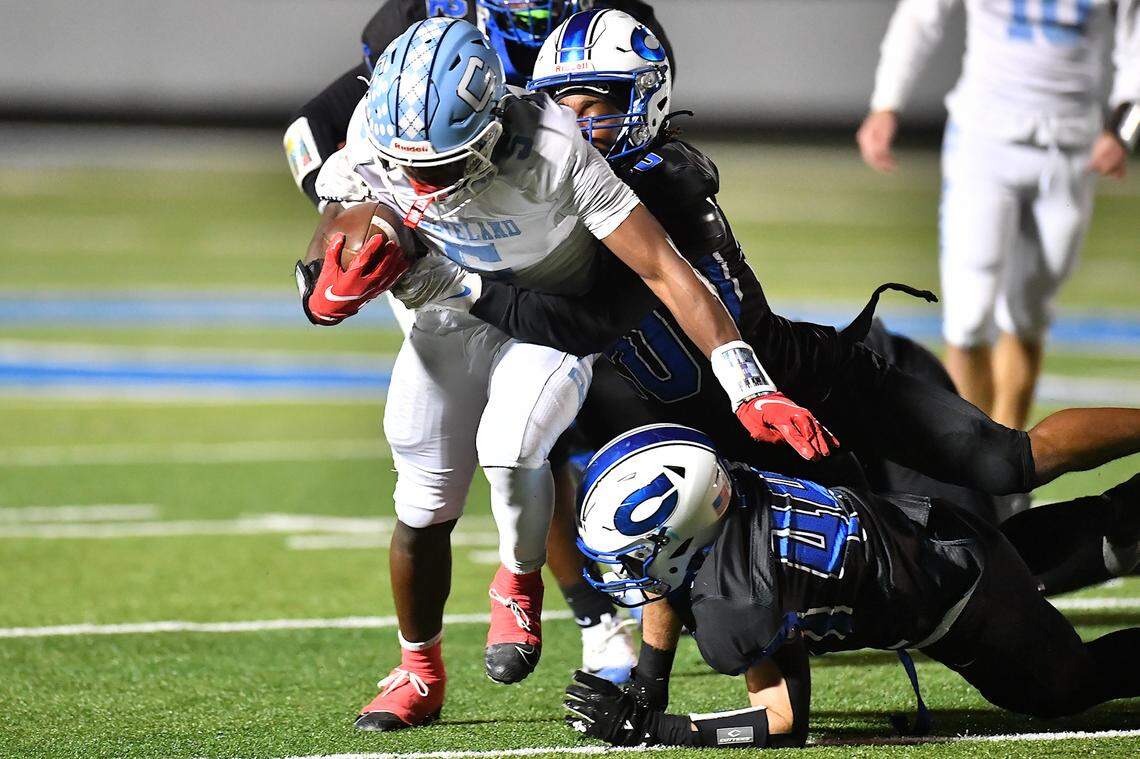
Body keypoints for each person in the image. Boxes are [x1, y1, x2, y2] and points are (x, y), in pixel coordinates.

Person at [305, 16, 833, 731]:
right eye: (411, 169)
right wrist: (324, 279)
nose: (423, 186)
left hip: (547, 318)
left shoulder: (556, 150)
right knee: (419, 493)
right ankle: (419, 669)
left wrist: (749, 382)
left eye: (441, 165)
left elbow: (664, 269)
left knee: (511, 445)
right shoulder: (376, 130)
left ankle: (519, 579)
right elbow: (342, 216)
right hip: (448, 312)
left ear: (493, 126)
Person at [283, 0, 671, 689]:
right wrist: (350, 219)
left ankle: (602, 604)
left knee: (545, 432)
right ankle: (572, 616)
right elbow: (316, 129)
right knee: (443, 460)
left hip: (558, 246)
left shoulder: (602, 31)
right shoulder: (417, 24)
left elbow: (636, 122)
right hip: (448, 263)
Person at [562, 424, 1140, 749]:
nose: (628, 571)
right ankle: (1126, 511)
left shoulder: (740, 604)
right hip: (923, 526)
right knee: (1017, 553)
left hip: (953, 598)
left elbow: (781, 725)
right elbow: (669, 577)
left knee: (1056, 690)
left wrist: (663, 729)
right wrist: (648, 685)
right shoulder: (727, 486)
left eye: (636, 552)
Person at [856, 0, 1139, 432]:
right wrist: (886, 103)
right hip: (983, 141)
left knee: (1030, 313)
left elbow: (1135, 46)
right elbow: (921, 16)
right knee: (968, 317)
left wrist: (1123, 128)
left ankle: (1007, 462)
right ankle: (978, 471)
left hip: (1070, 147)